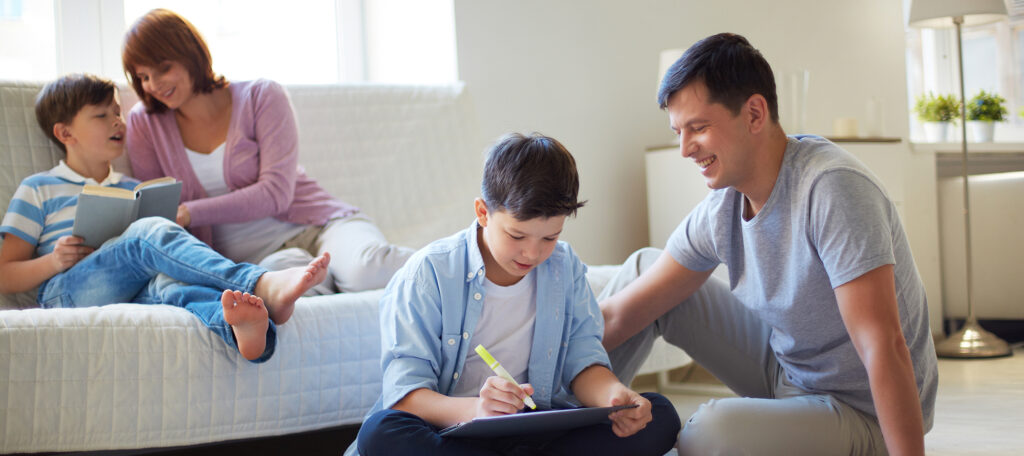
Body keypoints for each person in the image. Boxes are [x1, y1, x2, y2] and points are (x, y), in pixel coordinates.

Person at [599, 33, 938, 455]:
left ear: (755, 113)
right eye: (678, 131)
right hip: (786, 371)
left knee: (709, 435)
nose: (685, 148)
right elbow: (619, 314)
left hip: (861, 410)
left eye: (698, 128)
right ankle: (562, 427)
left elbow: (882, 344)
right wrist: (530, 385)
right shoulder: (721, 207)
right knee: (642, 270)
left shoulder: (832, 188)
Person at [350, 133, 680, 456]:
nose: (532, 254)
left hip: (540, 431)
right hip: (456, 433)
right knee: (382, 432)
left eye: (549, 238)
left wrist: (614, 396)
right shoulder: (428, 274)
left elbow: (583, 363)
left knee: (659, 415)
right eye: (517, 235)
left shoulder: (565, 268)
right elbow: (406, 395)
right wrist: (478, 408)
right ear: (483, 212)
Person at [0, 73, 330, 363]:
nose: (118, 121)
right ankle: (258, 282)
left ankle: (242, 327)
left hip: (134, 288)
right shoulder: (39, 189)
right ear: (65, 133)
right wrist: (54, 261)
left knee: (170, 286)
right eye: (102, 115)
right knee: (146, 234)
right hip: (66, 292)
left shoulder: (135, 189)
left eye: (118, 112)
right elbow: (5, 274)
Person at [121, 9, 413, 295]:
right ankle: (330, 281)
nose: (154, 85)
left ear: (190, 54)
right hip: (261, 261)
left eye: (163, 68)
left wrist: (189, 212)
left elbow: (276, 193)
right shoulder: (144, 123)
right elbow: (156, 212)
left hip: (321, 226)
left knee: (367, 270)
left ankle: (455, 262)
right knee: (289, 294)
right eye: (143, 76)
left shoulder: (261, 96)